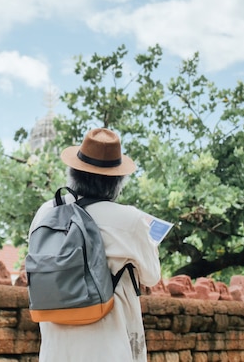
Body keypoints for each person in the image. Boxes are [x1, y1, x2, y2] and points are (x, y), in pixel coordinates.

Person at [29, 127, 161, 361]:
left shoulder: (46, 212)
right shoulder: (130, 219)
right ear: (117, 181)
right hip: (108, 349)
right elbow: (151, 276)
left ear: (73, 173)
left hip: (56, 350)